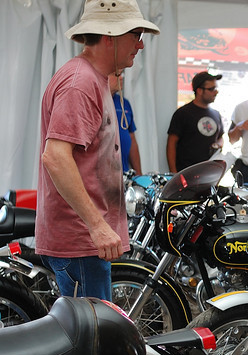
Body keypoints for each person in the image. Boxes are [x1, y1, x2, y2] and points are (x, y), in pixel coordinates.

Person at [36, 0, 158, 301]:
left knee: (93, 335)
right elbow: (55, 157)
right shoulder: (81, 83)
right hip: (79, 244)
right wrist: (98, 226)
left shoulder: (94, 79)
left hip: (85, 243)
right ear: (110, 37)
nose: (140, 45)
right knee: (91, 341)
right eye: (136, 35)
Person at [166, 71, 224, 174]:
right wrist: (173, 173)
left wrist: (218, 145)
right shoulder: (183, 113)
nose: (216, 92)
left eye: (216, 88)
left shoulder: (216, 114)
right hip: (186, 173)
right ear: (199, 91)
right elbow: (171, 143)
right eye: (211, 89)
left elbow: (220, 138)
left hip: (209, 174)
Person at [108, 73, 142, 174]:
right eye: (116, 74)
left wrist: (139, 175)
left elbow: (131, 138)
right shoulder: (95, 101)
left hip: (124, 174)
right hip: (102, 176)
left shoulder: (124, 103)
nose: (121, 77)